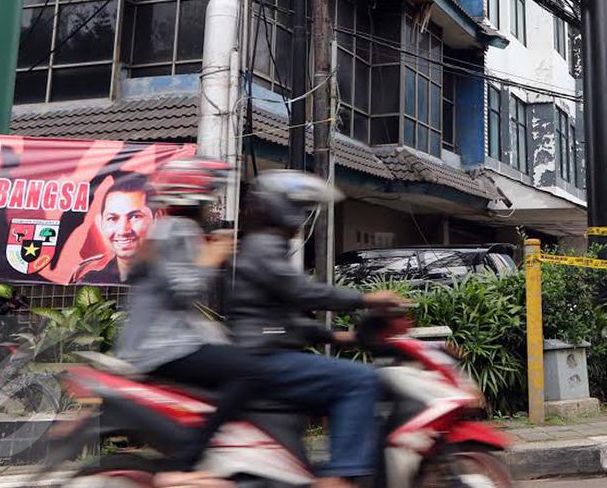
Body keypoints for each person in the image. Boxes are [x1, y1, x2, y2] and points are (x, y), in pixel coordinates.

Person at [226, 170, 403, 488]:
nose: (305, 217)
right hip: (266, 358)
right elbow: (304, 293)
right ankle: (340, 477)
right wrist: (366, 297)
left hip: (265, 351)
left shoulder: (265, 245)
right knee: (360, 380)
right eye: (301, 208)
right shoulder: (265, 246)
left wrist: (336, 336)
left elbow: (283, 318)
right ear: (282, 207)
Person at [115, 157, 270, 487]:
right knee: (249, 370)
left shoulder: (163, 231)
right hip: (162, 348)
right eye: (208, 197)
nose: (210, 205)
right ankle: (186, 463)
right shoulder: (178, 229)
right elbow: (184, 291)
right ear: (192, 198)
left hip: (158, 343)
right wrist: (212, 258)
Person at [71, 174, 157, 284]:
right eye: (113, 218)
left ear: (156, 218)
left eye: (135, 217)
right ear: (102, 222)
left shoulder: (171, 280)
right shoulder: (89, 280)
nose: (123, 230)